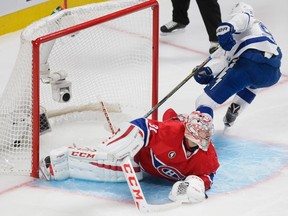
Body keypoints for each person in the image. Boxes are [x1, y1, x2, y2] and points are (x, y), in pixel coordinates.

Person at [39, 108, 219, 204]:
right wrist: (131, 135)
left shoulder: (207, 155)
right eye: (202, 133)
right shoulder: (171, 131)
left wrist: (196, 184)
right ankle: (61, 161)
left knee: (132, 171)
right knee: (112, 163)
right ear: (191, 131)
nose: (205, 138)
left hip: (150, 167)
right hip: (141, 155)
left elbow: (207, 175)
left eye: (206, 134)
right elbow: (144, 125)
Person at [193, 2, 282, 127]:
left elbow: (238, 20)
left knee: (204, 101)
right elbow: (227, 64)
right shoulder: (259, 30)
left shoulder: (245, 18)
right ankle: (235, 110)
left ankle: (201, 133)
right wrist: (207, 71)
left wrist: (227, 28)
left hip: (249, 64)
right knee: (252, 84)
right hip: (272, 74)